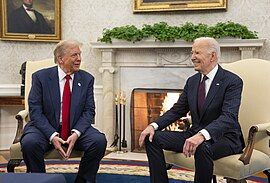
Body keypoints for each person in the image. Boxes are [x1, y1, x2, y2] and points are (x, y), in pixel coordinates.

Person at [139, 37, 245, 183]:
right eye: (192, 52)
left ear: (212, 56)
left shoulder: (232, 81)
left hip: (225, 138)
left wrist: (202, 135)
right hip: (195, 133)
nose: (192, 57)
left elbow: (228, 117)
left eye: (197, 53)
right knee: (152, 138)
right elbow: (177, 110)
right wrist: (153, 126)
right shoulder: (193, 81)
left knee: (203, 147)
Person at [20, 40, 107, 183]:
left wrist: (76, 133)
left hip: (75, 127)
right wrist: (52, 135)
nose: (79, 58)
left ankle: (83, 180)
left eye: (79, 54)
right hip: (44, 128)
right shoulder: (40, 77)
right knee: (30, 143)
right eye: (74, 55)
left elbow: (89, 111)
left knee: (98, 141)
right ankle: (40, 180)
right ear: (60, 59)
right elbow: (35, 111)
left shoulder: (86, 79)